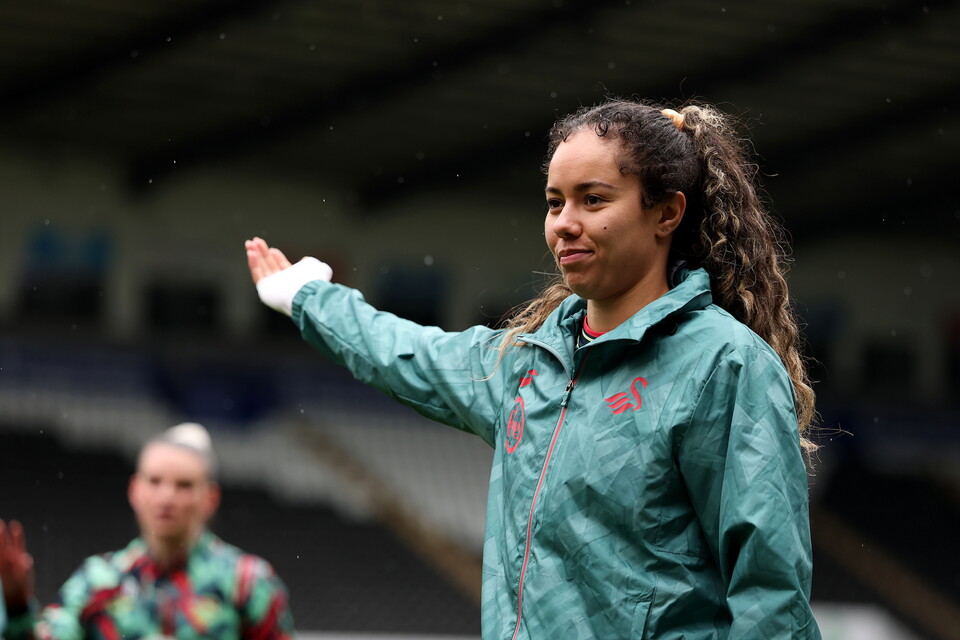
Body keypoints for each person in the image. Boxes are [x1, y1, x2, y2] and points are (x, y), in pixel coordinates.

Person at [245, 98, 821, 639]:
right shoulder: (529, 364)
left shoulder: (724, 363)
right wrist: (308, 298)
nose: (564, 223)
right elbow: (406, 352)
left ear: (666, 213)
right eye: (554, 202)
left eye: (593, 200)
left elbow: (770, 589)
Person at [0, 423, 295, 640]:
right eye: (154, 481)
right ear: (135, 490)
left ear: (210, 498)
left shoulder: (247, 583)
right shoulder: (99, 581)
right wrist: (17, 606)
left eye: (184, 485)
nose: (167, 498)